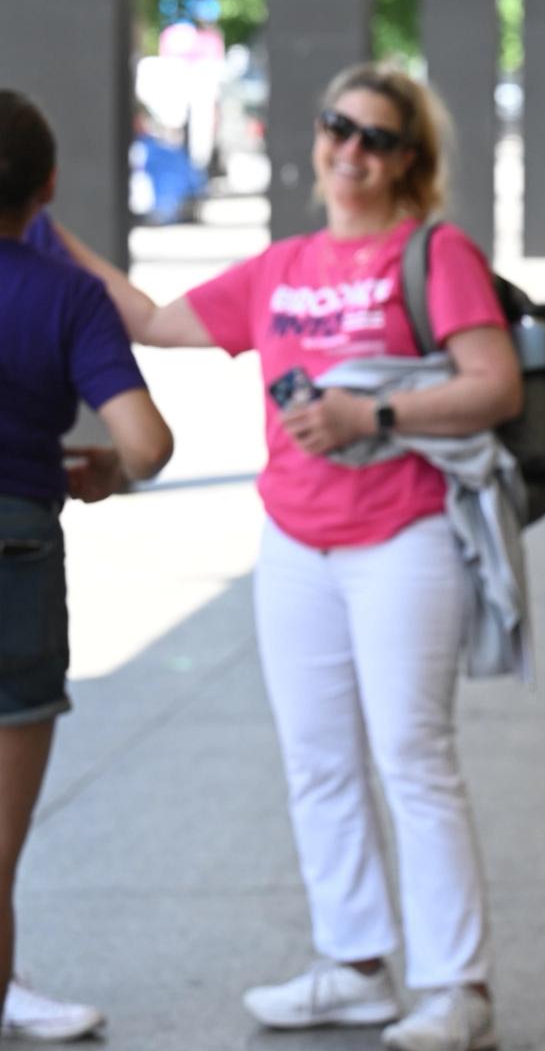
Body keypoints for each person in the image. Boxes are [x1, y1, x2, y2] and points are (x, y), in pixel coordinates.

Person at [58, 63, 520, 1051]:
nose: (350, 150)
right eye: (336, 128)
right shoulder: (282, 265)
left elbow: (495, 384)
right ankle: (354, 964)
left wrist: (373, 411)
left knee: (412, 755)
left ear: (409, 162)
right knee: (317, 759)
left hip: (406, 532)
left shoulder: (434, 253)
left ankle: (457, 986)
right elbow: (151, 319)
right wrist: (35, 221)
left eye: (376, 138)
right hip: (294, 540)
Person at [0, 91, 173, 1041]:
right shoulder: (66, 295)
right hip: (16, 550)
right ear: (49, 187)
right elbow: (146, 442)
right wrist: (110, 469)